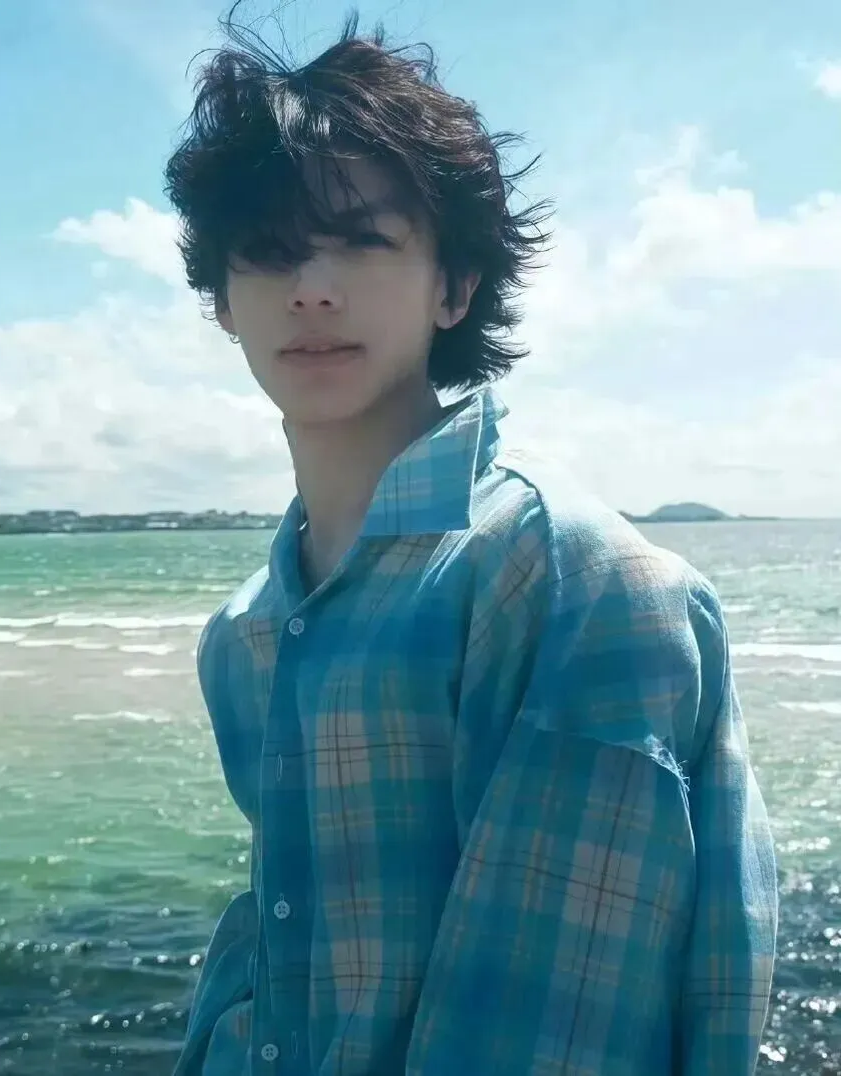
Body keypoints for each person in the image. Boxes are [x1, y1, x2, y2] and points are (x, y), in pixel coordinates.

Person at [163, 8, 778, 1074]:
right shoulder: (248, 630)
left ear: (453, 286)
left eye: (364, 239)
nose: (312, 286)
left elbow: (551, 1029)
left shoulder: (567, 576)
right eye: (268, 252)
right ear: (223, 301)